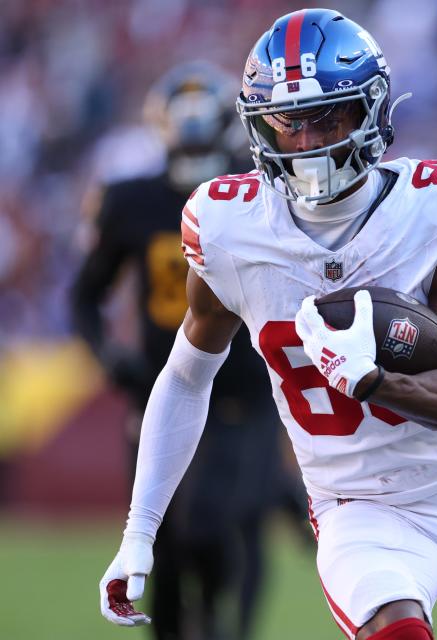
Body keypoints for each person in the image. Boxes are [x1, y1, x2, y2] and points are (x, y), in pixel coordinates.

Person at [97, 9, 437, 640]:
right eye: (288, 124)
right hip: (359, 507)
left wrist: (377, 382)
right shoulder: (229, 227)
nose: (308, 144)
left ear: (371, 111)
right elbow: (187, 379)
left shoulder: (435, 207)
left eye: (328, 119)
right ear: (258, 128)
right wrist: (139, 532)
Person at [75, 62, 289, 640]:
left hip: (242, 385)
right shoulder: (130, 200)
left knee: (218, 522)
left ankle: (226, 629)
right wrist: (109, 357)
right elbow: (84, 297)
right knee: (161, 542)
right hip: (160, 383)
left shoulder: (257, 191)